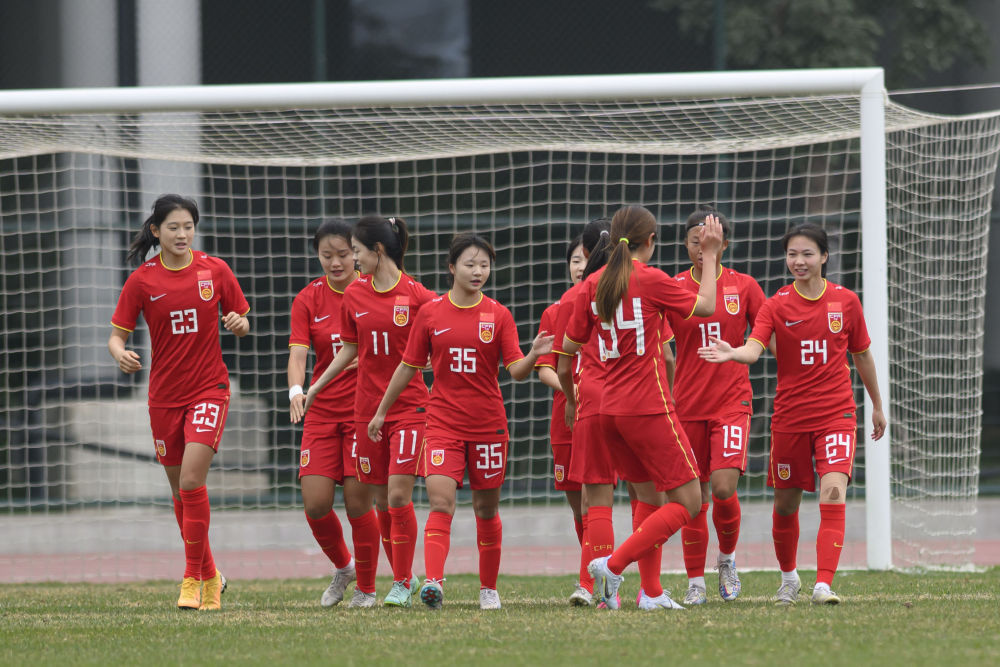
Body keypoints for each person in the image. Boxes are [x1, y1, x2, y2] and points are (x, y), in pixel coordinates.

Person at [698, 222, 886, 605]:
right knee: (786, 505)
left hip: (836, 415)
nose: (799, 261)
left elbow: (863, 354)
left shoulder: (846, 302)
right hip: (790, 419)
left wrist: (877, 405)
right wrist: (734, 352)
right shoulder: (776, 304)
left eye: (807, 254)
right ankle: (789, 578)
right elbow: (754, 347)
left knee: (833, 492)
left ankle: (823, 584)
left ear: (824, 256)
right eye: (792, 254)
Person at [368, 233, 553, 610]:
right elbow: (408, 366)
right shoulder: (430, 313)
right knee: (441, 502)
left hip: (488, 427)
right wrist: (382, 411)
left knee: (486, 510)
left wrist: (534, 354)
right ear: (452, 267)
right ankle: (433, 583)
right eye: (470, 264)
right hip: (442, 425)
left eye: (484, 265)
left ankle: (489, 589)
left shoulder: (498, 315)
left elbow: (516, 371)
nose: (478, 271)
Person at [562, 205, 724, 610]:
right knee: (689, 502)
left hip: (605, 411)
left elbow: (567, 352)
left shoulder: (592, 284)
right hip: (646, 407)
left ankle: (651, 592)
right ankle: (613, 566)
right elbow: (706, 305)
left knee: (650, 499)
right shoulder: (650, 279)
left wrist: (572, 397)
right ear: (651, 241)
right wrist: (711, 255)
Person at [108, 194, 250, 611]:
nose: (183, 234)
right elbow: (116, 335)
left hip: (209, 390)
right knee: (179, 492)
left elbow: (242, 320)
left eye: (188, 226)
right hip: (163, 398)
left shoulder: (215, 270)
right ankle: (211, 573)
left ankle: (192, 578)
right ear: (156, 231)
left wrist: (239, 323)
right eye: (174, 227)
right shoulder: (142, 280)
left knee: (191, 481)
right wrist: (119, 353)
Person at [304, 215, 432, 608]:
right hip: (367, 412)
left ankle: (402, 581)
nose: (353, 259)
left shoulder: (418, 296)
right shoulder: (355, 295)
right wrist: (316, 385)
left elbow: (435, 346)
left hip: (409, 408)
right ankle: (391, 582)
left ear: (377, 250)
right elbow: (350, 348)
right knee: (380, 503)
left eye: (356, 251)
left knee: (397, 496)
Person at [665, 205, 766, 605]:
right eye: (695, 242)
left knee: (723, 488)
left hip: (731, 402)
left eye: (710, 241)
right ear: (686, 244)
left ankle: (726, 559)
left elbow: (767, 335)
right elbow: (658, 343)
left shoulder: (745, 286)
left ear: (725, 244)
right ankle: (695, 582)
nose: (702, 248)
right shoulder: (674, 287)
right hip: (687, 405)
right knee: (693, 500)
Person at [287, 219, 368, 607]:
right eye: (326, 255)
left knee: (357, 504)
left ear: (357, 253)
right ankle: (344, 567)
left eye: (343, 254)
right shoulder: (308, 299)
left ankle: (368, 583)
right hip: (321, 411)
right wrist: (296, 390)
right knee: (316, 504)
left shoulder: (374, 291)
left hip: (363, 411)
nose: (335, 262)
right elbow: (298, 353)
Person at [534, 234, 587, 602]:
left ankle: (595, 579)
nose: (580, 267)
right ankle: (594, 567)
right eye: (574, 260)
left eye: (586, 259)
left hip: (605, 414)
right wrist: (572, 393)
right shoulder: (554, 312)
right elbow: (545, 368)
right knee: (577, 504)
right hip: (566, 417)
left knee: (597, 500)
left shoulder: (610, 306)